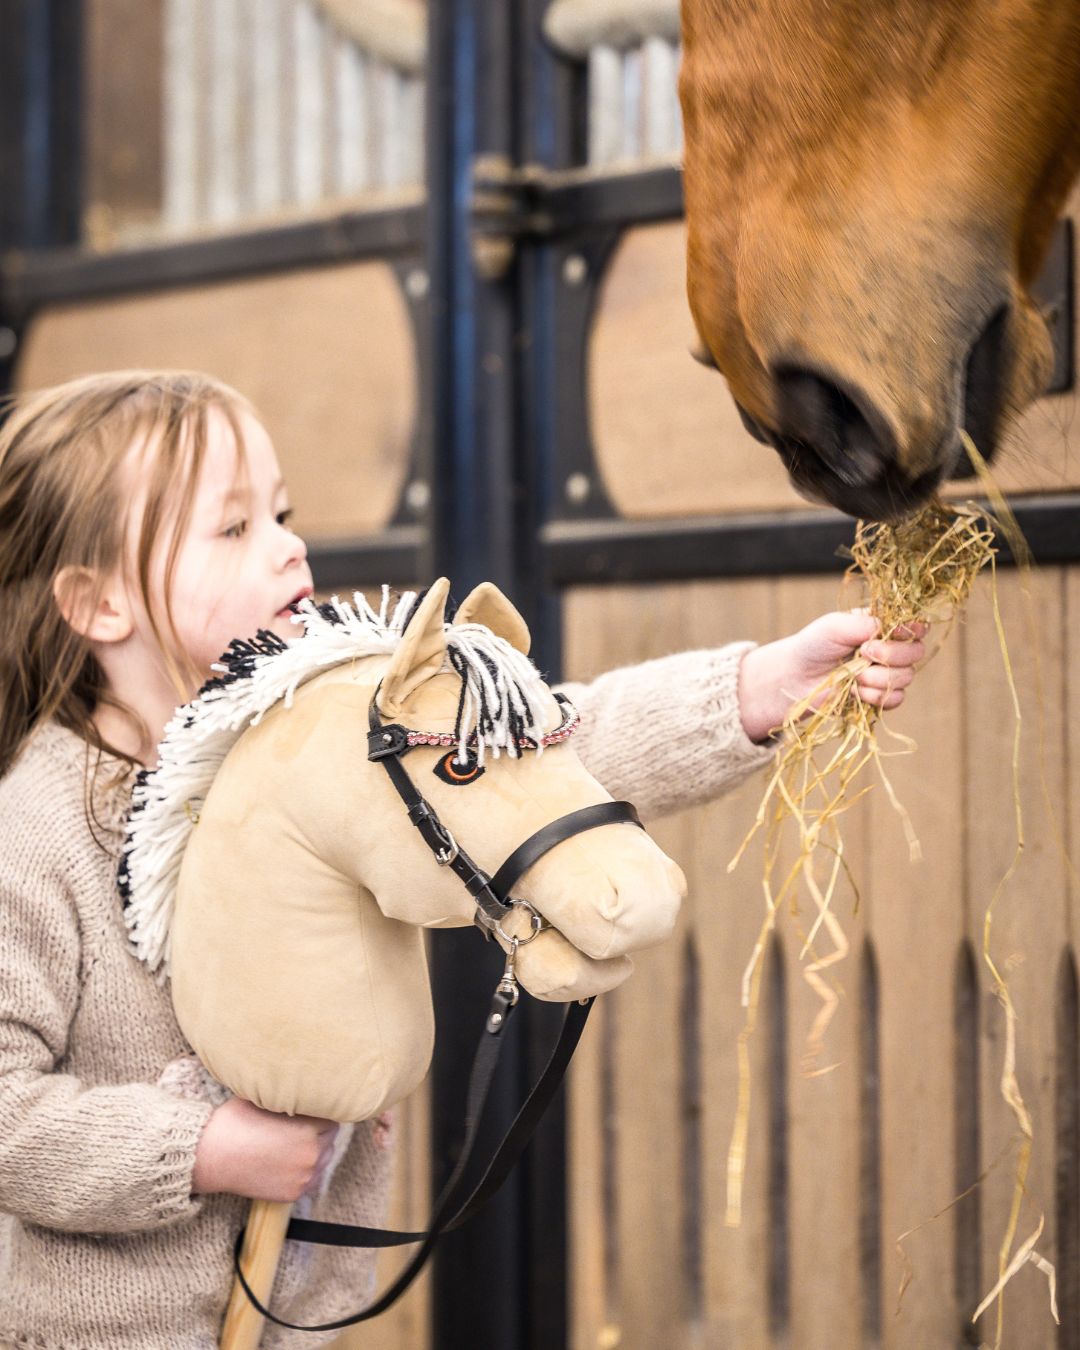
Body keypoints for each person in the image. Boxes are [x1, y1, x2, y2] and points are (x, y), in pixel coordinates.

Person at [0, 370, 925, 1348]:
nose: (289, 547)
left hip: (295, 1325)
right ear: (97, 604)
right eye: (234, 531)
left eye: (281, 513)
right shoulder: (39, 825)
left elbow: (518, 765)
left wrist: (750, 690)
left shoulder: (310, 726)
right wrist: (202, 1149)